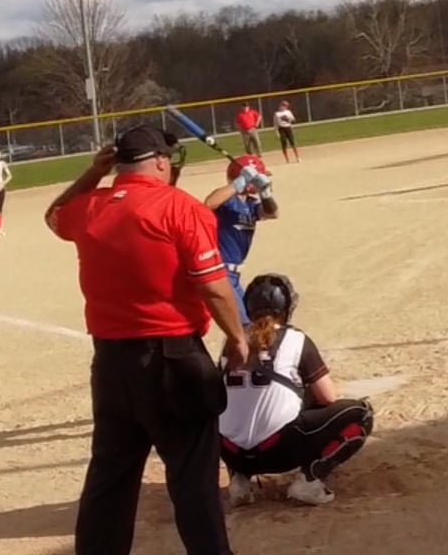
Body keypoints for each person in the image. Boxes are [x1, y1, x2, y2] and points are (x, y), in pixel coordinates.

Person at [45, 125, 248, 555]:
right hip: (174, 357)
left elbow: (55, 214)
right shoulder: (179, 206)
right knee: (193, 479)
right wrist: (238, 337)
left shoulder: (91, 207)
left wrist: (92, 173)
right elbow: (213, 288)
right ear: (158, 161)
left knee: (110, 479)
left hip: (111, 363)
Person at [219, 273, 374, 509]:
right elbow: (327, 397)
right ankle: (310, 479)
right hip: (278, 452)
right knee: (361, 414)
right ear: (286, 308)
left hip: (232, 453)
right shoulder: (296, 338)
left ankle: (239, 480)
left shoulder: (232, 342)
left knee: (235, 409)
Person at [204, 156, 277, 319]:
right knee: (245, 325)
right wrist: (239, 183)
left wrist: (266, 194)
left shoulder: (251, 204)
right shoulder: (227, 201)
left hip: (234, 276)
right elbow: (209, 203)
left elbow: (272, 213)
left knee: (250, 320)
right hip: (220, 272)